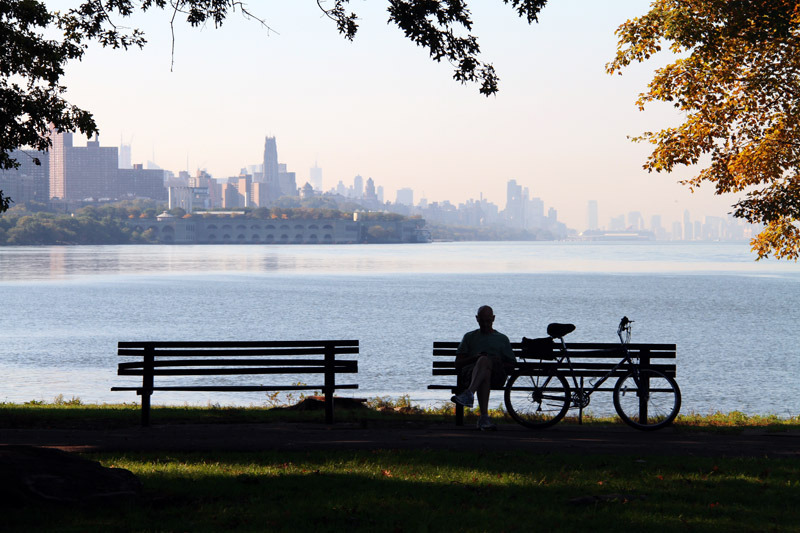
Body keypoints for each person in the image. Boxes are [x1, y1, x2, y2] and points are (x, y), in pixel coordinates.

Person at [451, 305, 515, 431]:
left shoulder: (502, 339)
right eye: (482, 321)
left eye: (488, 321)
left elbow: (512, 365)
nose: (485, 324)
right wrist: (475, 358)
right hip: (471, 375)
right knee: (484, 372)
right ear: (477, 319)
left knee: (485, 362)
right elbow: (458, 363)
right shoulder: (469, 337)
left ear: (493, 319)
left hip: (497, 375)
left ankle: (469, 393)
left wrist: (496, 362)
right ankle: (484, 419)